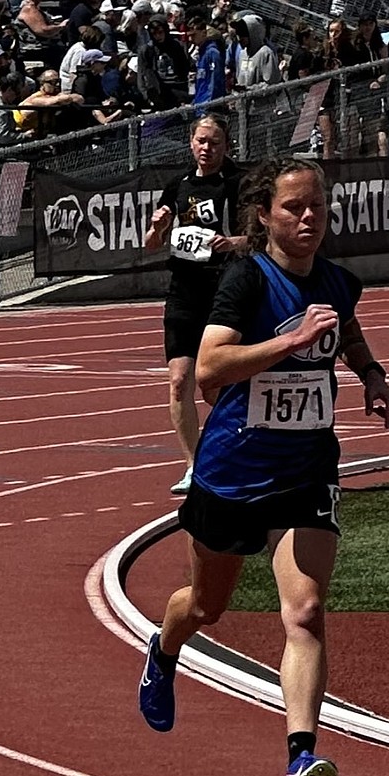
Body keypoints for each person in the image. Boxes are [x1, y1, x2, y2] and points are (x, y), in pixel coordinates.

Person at [138, 156, 389, 776]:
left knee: (306, 611)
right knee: (207, 606)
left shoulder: (339, 283)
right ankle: (164, 648)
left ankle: (300, 756)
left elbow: (346, 330)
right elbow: (209, 369)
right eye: (294, 208)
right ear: (263, 216)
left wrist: (371, 376)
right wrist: (289, 344)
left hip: (306, 471)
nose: (309, 217)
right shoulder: (245, 281)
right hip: (233, 472)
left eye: (317, 206)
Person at [144, 115, 244, 495]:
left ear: (226, 146)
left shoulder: (238, 183)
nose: (207, 149)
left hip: (224, 290)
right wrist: (158, 226)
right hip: (184, 290)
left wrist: (232, 243)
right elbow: (152, 243)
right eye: (201, 141)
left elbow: (262, 236)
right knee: (179, 380)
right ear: (190, 143)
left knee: (214, 384)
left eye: (214, 143)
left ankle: (231, 450)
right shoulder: (178, 186)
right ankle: (193, 465)